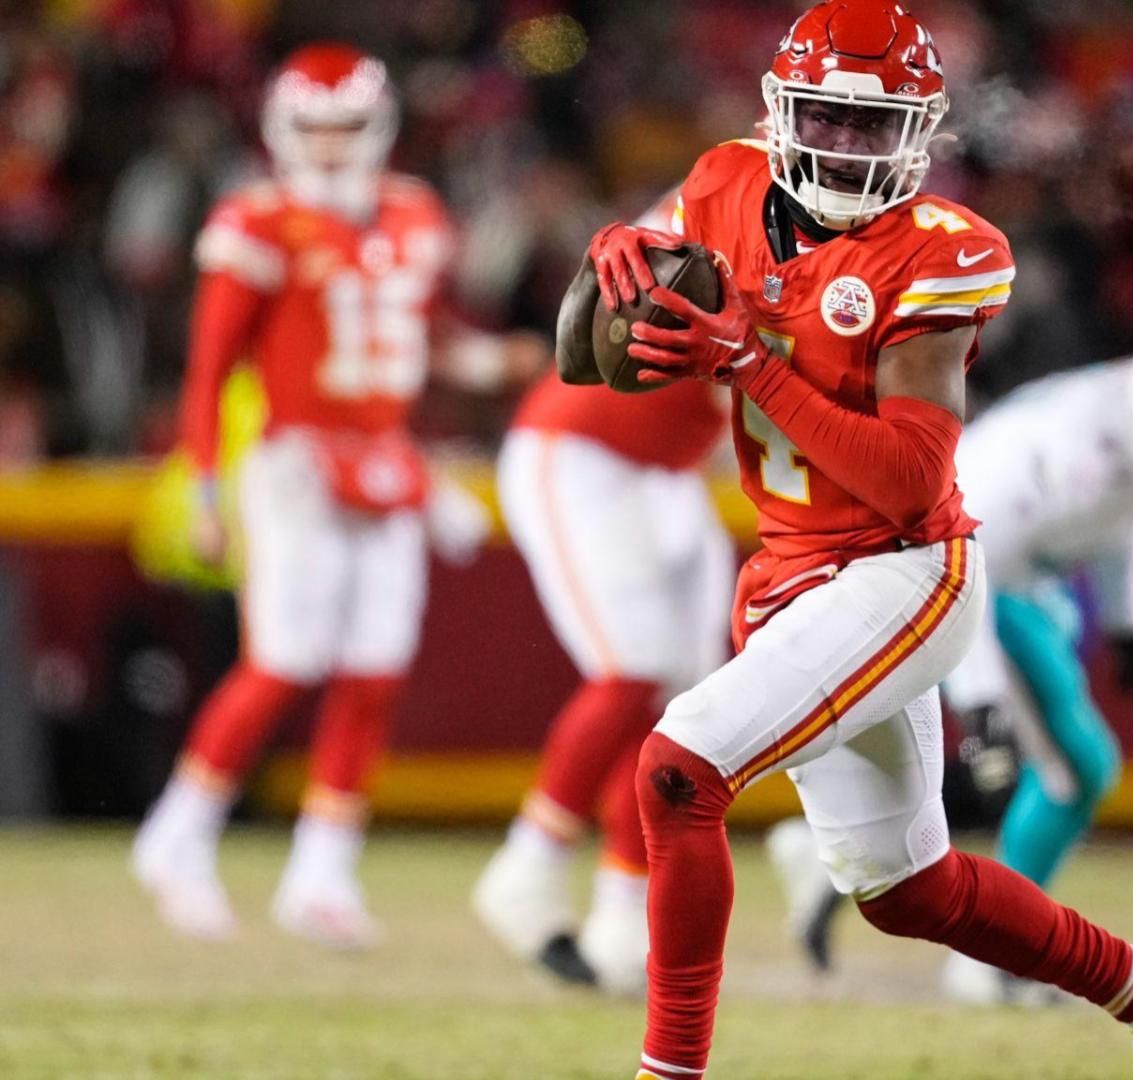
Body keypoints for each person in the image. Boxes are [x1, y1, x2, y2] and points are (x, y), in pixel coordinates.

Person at [572, 4, 1133, 1077]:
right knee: (905, 890)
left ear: (921, 134)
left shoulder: (940, 252)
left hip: (903, 569)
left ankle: (667, 1072)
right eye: (827, 119)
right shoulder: (725, 183)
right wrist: (618, 253)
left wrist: (750, 361)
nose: (848, 148)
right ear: (782, 115)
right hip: (791, 574)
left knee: (680, 769)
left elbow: (911, 473)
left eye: (876, 129)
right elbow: (604, 343)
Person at [767, 309, 1133, 997]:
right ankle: (991, 960)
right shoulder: (1076, 448)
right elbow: (962, 564)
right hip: (955, 578)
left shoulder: (1128, 430)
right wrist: (979, 700)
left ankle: (833, 858)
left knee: (1051, 769)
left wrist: (1130, 625)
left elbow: (1127, 514)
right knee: (1070, 769)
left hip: (1007, 586)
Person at [131, 44, 460, 948]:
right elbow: (207, 373)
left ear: (377, 127)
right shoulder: (258, 221)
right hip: (293, 464)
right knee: (284, 658)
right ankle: (179, 834)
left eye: (343, 127)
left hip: (384, 459)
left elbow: (423, 346)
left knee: (376, 668)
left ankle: (322, 872)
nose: (325, 147)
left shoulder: (415, 213)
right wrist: (204, 487)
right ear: (281, 130)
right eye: (310, 129)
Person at [472, 366, 731, 995]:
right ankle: (530, 861)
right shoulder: (748, 268)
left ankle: (624, 910)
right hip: (583, 448)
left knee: (684, 703)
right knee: (632, 666)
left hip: (667, 466)